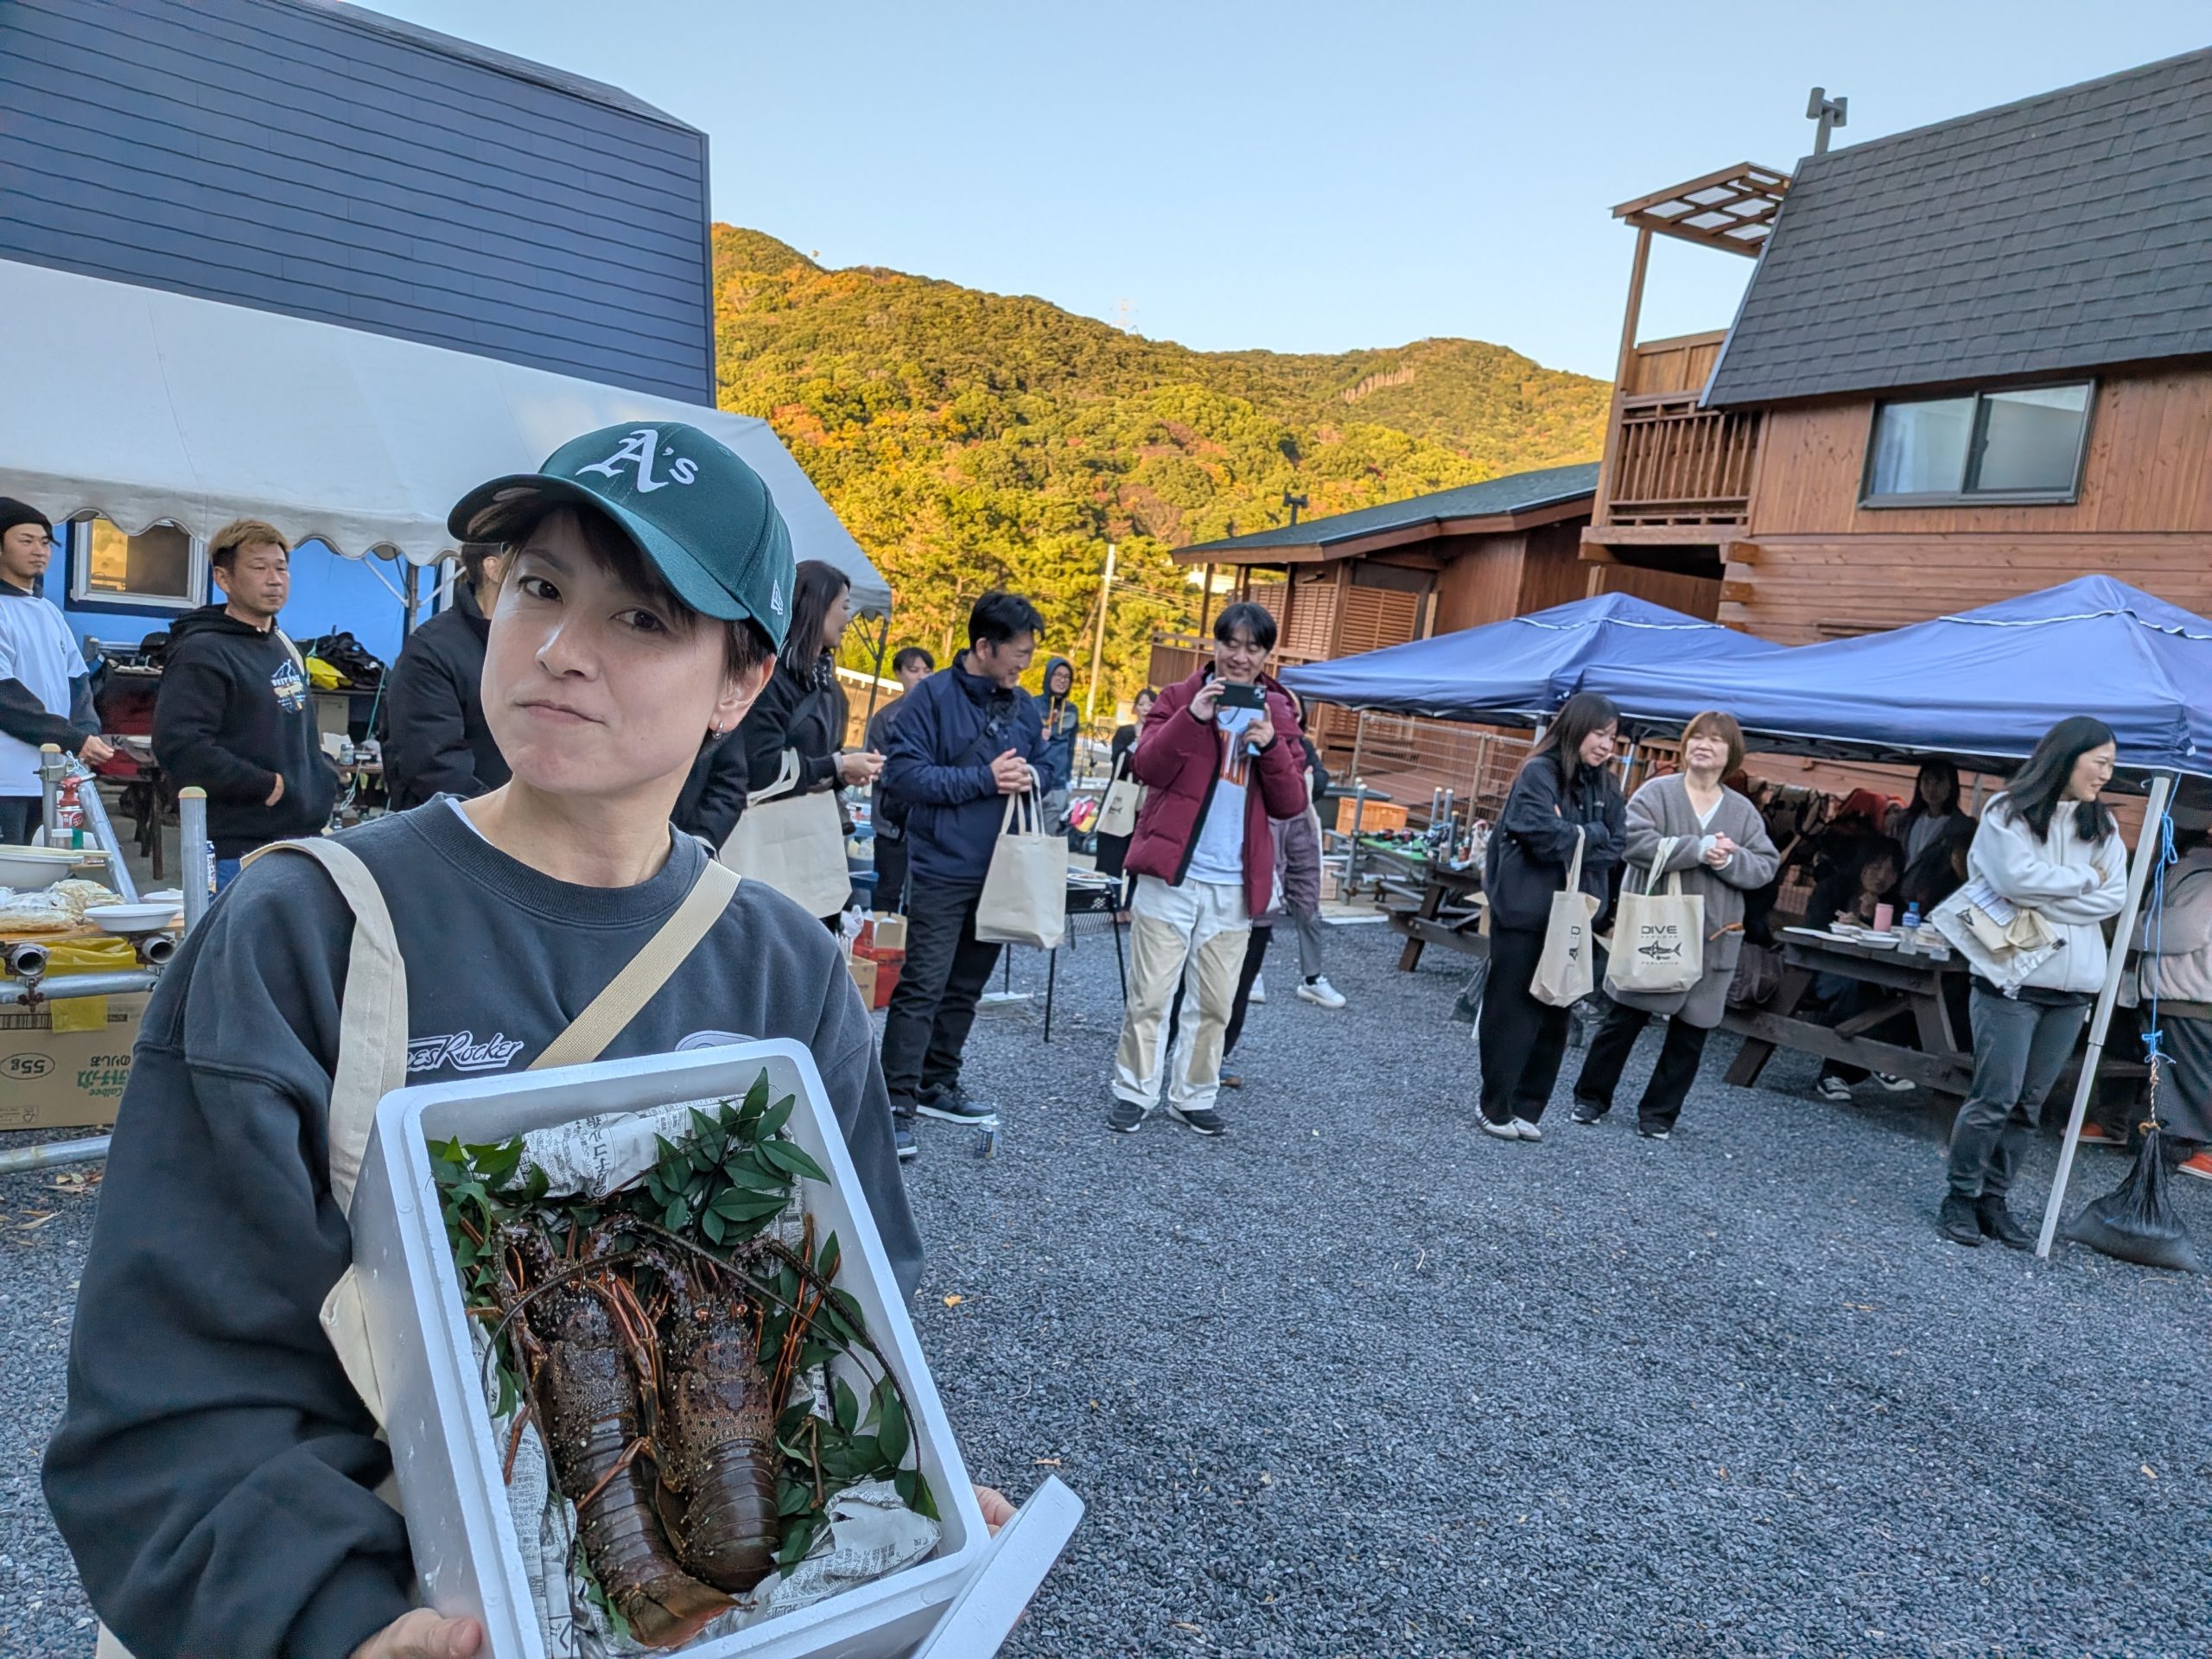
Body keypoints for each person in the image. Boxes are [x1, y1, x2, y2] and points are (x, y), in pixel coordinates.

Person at [44, 421, 927, 1659]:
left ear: (741, 683)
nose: (561, 651)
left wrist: (898, 1523)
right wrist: (337, 1624)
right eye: (539, 589)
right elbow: (174, 1392)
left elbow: (849, 1330)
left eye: (642, 619)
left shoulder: (789, 972)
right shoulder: (305, 927)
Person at [1107, 601, 1307, 1137]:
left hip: (1234, 883)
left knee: (1215, 1002)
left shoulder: (1279, 711)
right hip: (1170, 872)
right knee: (1150, 994)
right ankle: (1134, 1090)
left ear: (1267, 656)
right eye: (1231, 644)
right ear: (1213, 645)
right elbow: (1146, 767)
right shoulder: (1178, 697)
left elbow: (1291, 803)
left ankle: (1193, 1095)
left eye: (1253, 648)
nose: (1240, 657)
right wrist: (1192, 718)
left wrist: (1272, 747)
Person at [1929, 716, 2127, 1249]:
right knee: (1995, 1097)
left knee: (2029, 1105)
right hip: (2009, 980)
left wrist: (2045, 896)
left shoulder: (2104, 824)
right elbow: (2014, 882)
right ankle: (1961, 1195)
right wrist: (2084, 879)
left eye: (2111, 764)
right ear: (2067, 756)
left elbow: (2115, 896)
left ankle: (1994, 1199)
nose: (2107, 774)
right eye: (2100, 762)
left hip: (2073, 987)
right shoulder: (2006, 811)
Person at [877, 592, 1051, 1137]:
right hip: (941, 868)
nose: (1025, 665)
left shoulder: (1024, 706)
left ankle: (938, 1081)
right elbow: (904, 776)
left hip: (1001, 869)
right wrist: (985, 779)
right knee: (922, 986)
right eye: (1018, 654)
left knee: (965, 988)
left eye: (1029, 654)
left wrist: (1034, 775)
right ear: (983, 646)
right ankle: (894, 1100)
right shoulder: (931, 698)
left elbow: (1049, 763)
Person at [1570, 711, 1779, 1139]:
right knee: (1625, 1016)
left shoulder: (1742, 811)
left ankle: (1659, 1115)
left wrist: (1731, 858)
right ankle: (1591, 1097)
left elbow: (1765, 865)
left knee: (1692, 1031)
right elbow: (1631, 841)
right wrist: (1696, 849)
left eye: (1715, 740)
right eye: (1696, 737)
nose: (1703, 745)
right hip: (1656, 928)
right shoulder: (1657, 793)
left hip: (1714, 935)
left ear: (1731, 753)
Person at [151, 518, 337, 884]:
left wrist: (322, 776)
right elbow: (180, 745)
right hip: (238, 852)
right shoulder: (202, 652)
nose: (274, 579)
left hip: (300, 841)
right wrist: (264, 785)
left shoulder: (283, 644)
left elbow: (296, 731)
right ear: (223, 579)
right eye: (259, 568)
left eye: (281, 568)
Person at [1475, 692, 1625, 1142]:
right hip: (1525, 909)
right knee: (1512, 1008)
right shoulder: (1539, 772)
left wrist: (1574, 833)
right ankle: (1495, 1104)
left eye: (1613, 738)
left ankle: (1528, 1106)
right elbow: (1539, 833)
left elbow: (1618, 845)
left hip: (1574, 914)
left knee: (1556, 1010)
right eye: (1599, 734)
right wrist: (1590, 833)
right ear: (1576, 728)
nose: (1606, 745)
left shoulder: (1607, 786)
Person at [737, 559, 882, 918]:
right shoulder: (771, 679)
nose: (849, 619)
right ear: (816, 606)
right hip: (767, 839)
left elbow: (823, 754)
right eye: (844, 606)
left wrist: (844, 771)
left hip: (815, 839)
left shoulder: (827, 683)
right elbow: (761, 767)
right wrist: (836, 765)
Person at [0, 498, 111, 843]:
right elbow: (6, 700)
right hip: (6, 779)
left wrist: (87, 731)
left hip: (53, 779)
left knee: (52, 871)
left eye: (45, 542)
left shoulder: (49, 612)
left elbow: (78, 683)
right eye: (26, 540)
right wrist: (73, 738)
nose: (39, 551)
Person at [381, 544, 511, 810]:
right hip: (462, 824)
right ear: (493, 568)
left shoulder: (532, 644)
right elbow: (434, 767)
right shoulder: (431, 650)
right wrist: (505, 818)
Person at [1803, 836, 1916, 1103]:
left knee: (1893, 1001)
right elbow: (1812, 930)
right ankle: (1880, 1060)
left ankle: (1832, 1074)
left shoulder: (1896, 906)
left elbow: (1898, 944)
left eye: (1891, 871)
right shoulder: (1832, 890)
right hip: (1823, 971)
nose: (1882, 877)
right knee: (1858, 989)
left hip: (1875, 978)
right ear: (1861, 865)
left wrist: (1872, 918)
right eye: (1875, 867)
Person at [2133, 823, 2212, 1181]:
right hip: (2189, 990)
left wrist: (2128, 928)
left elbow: (2185, 931)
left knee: (2189, 1078)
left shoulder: (2198, 872)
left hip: (2186, 989)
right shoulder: (2198, 871)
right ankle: (2188, 1147)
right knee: (2188, 1077)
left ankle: (2200, 1147)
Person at [1280, 687, 1345, 1010]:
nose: (1291, 714)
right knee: (1259, 904)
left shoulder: (1303, 745)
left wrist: (1307, 780)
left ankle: (1312, 977)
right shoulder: (1262, 740)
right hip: (1267, 825)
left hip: (1302, 826)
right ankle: (1249, 973)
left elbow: (1320, 778)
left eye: (1295, 710)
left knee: (1308, 901)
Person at [865, 645, 936, 914]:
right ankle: (882, 937)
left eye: (927, 670)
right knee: (888, 889)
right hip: (892, 820)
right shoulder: (885, 718)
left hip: (928, 819)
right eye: (913, 670)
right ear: (899, 673)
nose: (921, 676)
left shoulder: (941, 716)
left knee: (923, 894)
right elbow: (875, 765)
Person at [1094, 686, 1155, 906]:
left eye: (1151, 704)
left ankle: (1130, 904)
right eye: (1142, 704)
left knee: (1140, 856)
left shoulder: (1161, 733)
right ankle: (1112, 903)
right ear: (1135, 708)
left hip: (1147, 802)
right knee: (1114, 852)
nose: (1146, 708)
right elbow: (1119, 760)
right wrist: (1138, 742)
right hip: (1123, 798)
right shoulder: (1125, 732)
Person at [1032, 654, 1079, 832]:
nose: (1062, 680)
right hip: (1034, 782)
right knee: (1027, 836)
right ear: (1048, 676)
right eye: (1058, 675)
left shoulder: (1072, 710)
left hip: (1059, 785)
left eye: (1067, 677)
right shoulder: (1033, 704)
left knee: (1049, 839)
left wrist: (1068, 780)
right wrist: (1038, 737)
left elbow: (1070, 747)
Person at [1891, 758, 1964, 868]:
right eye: (1926, 780)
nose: (1931, 788)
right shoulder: (1904, 821)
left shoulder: (1962, 827)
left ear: (1951, 786)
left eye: (1939, 781)